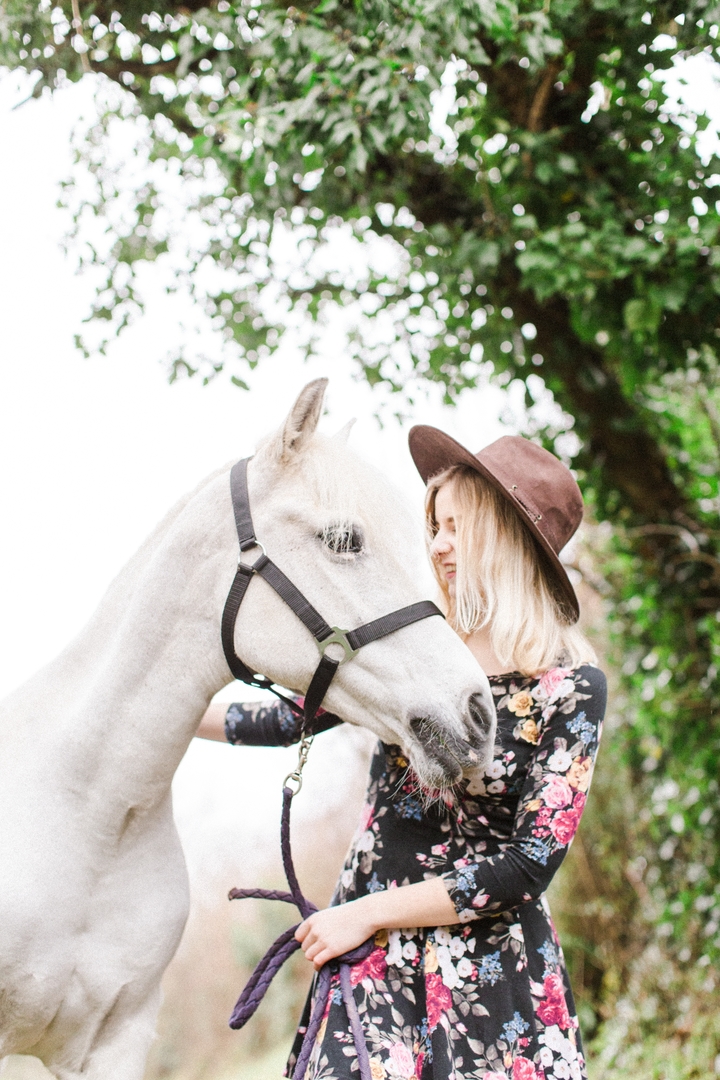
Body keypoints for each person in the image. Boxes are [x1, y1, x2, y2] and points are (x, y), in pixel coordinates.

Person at [197, 428, 606, 1080]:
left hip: (492, 982)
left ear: (508, 538)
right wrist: (165, 708)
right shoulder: (416, 655)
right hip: (374, 966)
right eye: (436, 526)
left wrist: (364, 914)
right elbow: (285, 720)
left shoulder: (571, 689)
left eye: (457, 527)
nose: (437, 544)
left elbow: (526, 866)